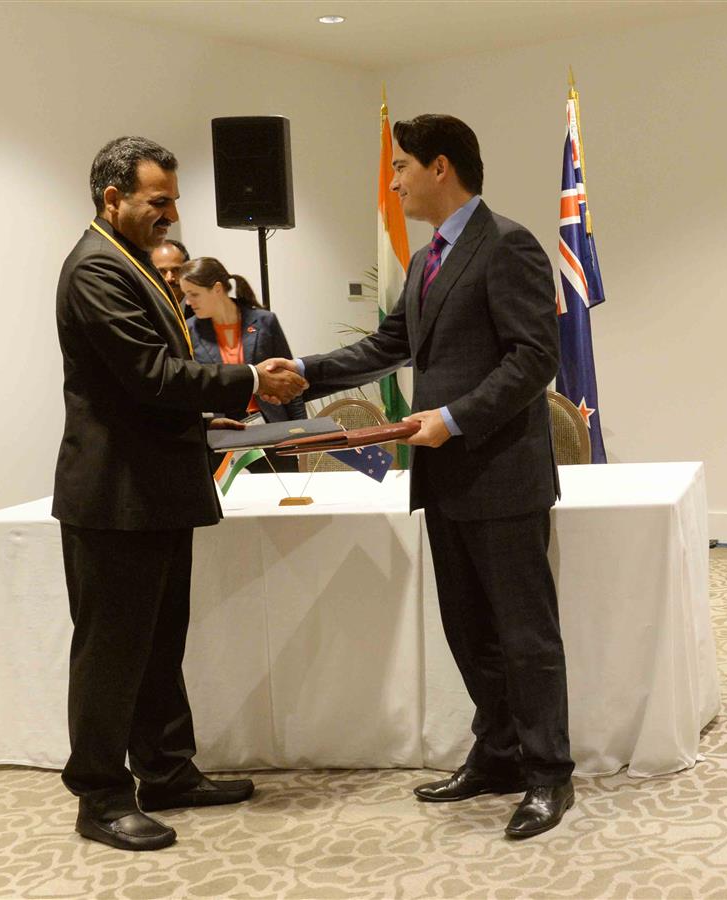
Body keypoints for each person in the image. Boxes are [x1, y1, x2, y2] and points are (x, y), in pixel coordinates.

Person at [262, 114, 573, 839]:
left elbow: (533, 359)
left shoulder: (508, 245)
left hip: (500, 475)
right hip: (445, 479)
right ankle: (497, 753)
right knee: (470, 631)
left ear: (441, 167)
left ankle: (548, 774)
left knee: (524, 634)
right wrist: (305, 370)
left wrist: (455, 417)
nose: (394, 179)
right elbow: (391, 344)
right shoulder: (432, 256)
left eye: (402, 165)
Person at [53, 136, 307, 851]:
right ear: (113, 198)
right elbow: (151, 376)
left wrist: (207, 412)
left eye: (173, 199)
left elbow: (153, 387)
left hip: (153, 490)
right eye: (157, 200)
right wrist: (254, 381)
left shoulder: (129, 261)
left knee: (157, 645)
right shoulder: (96, 268)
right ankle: (100, 797)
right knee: (111, 654)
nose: (171, 213)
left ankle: (166, 772)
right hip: (115, 499)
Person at [182, 256, 306, 471]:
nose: (189, 302)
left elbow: (290, 379)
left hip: (272, 429)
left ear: (217, 289)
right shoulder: (189, 330)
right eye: (186, 295)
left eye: (194, 294)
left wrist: (301, 430)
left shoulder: (265, 321)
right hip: (224, 435)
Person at [151, 238, 190, 319]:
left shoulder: (204, 310)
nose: (169, 278)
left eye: (176, 270)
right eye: (161, 271)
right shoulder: (143, 312)